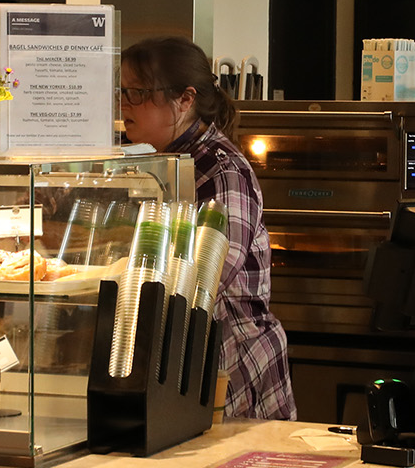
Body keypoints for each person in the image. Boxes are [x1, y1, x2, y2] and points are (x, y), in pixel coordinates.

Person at [118, 36, 296, 420]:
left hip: (232, 356)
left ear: (184, 99)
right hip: (189, 350)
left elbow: (208, 274)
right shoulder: (165, 161)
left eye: (138, 92)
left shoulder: (221, 170)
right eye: (122, 91)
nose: (124, 104)